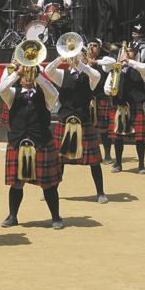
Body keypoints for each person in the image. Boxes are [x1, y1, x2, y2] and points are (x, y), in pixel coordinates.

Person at [0, 63, 64, 229]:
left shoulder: (45, 94)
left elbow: (54, 92)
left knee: (48, 184)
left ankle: (55, 217)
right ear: (19, 80)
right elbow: (1, 88)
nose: (26, 78)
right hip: (18, 141)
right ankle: (12, 216)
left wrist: (38, 75)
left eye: (29, 75)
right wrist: (16, 73)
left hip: (41, 141)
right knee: (16, 183)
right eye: (24, 76)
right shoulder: (12, 94)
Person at [45, 52, 107, 203]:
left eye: (79, 55)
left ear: (85, 59)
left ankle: (100, 193)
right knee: (59, 160)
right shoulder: (62, 75)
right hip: (65, 121)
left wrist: (80, 64)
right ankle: (52, 191)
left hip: (83, 120)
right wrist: (61, 58)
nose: (75, 57)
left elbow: (97, 76)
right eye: (74, 55)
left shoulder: (90, 76)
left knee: (94, 161)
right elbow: (48, 71)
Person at [105, 42, 145, 174]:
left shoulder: (140, 68)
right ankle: (118, 163)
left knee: (139, 137)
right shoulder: (115, 69)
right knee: (118, 136)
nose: (127, 53)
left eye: (130, 51)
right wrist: (111, 90)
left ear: (134, 54)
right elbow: (106, 87)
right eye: (125, 51)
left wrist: (129, 61)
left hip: (135, 105)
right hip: (120, 106)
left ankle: (141, 165)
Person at [87, 39, 115, 163]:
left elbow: (113, 61)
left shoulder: (103, 62)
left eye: (95, 46)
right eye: (90, 45)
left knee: (104, 130)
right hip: (87, 99)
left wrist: (96, 61)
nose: (92, 48)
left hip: (101, 99)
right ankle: (89, 155)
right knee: (87, 129)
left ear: (99, 49)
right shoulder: (82, 62)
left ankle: (107, 155)